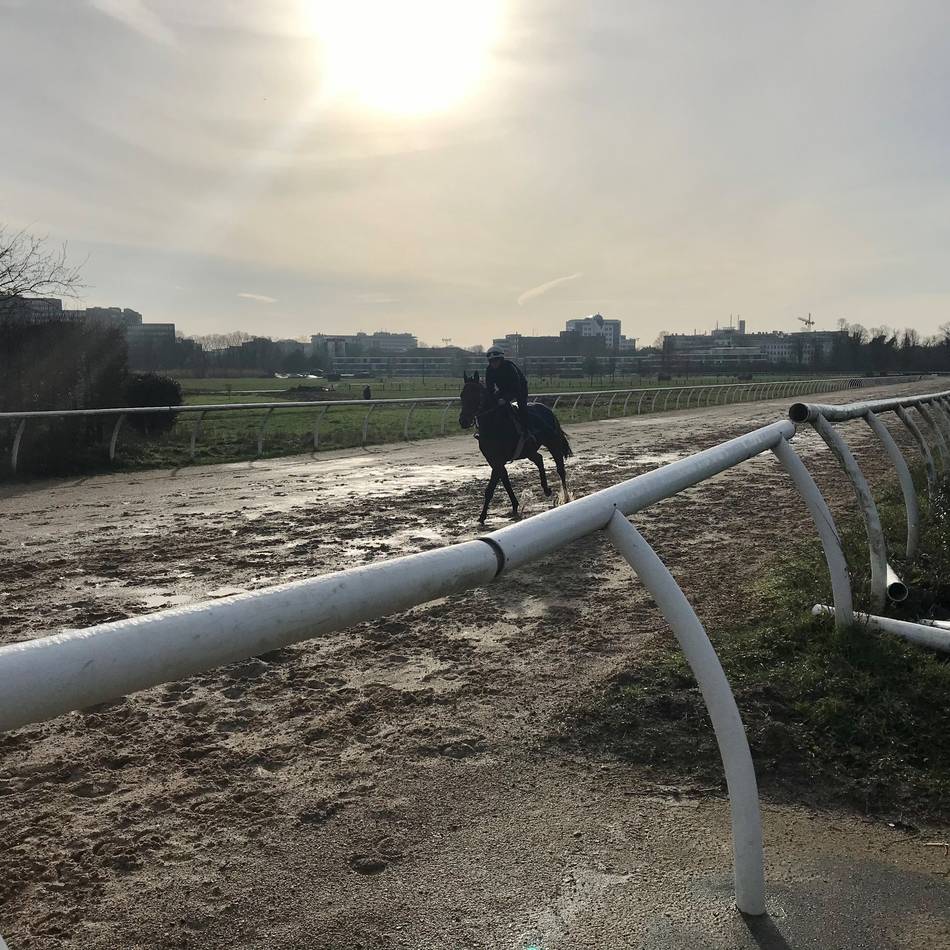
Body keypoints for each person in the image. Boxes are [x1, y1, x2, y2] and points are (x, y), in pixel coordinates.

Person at [485, 346, 535, 452]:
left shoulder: (509, 367)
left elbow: (516, 388)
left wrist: (506, 399)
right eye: (491, 361)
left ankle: (527, 432)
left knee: (522, 407)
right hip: (504, 389)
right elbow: (489, 388)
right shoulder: (489, 369)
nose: (494, 363)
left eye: (496, 360)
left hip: (519, 388)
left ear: (501, 359)